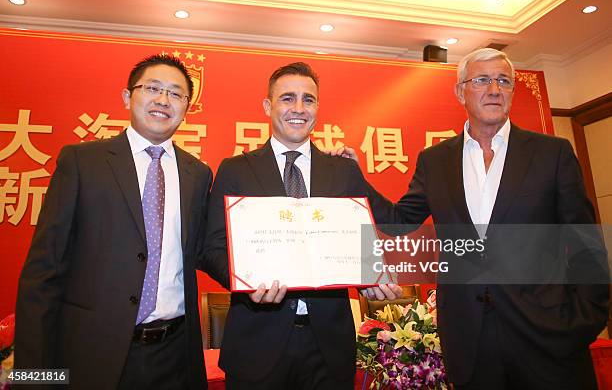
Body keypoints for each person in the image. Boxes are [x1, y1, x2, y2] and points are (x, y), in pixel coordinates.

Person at [342, 47, 609, 389]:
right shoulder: (436, 160)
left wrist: (585, 320)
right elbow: (399, 220)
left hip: (548, 336)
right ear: (460, 92)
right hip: (469, 339)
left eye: (503, 81)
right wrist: (355, 176)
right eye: (482, 80)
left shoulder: (551, 153)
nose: (494, 89)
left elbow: (586, 243)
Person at [15, 54, 223, 389]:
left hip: (174, 355)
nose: (162, 100)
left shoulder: (197, 174)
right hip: (92, 353)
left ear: (187, 108)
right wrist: (31, 379)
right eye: (152, 88)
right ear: (128, 97)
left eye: (175, 93)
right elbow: (43, 273)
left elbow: (204, 250)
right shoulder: (83, 162)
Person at [203, 62, 403, 390]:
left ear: (318, 108)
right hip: (257, 341)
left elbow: (380, 232)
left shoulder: (343, 171)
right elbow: (210, 247)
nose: (298, 108)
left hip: (329, 346)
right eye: (287, 98)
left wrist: (371, 273)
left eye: (308, 100)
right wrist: (246, 282)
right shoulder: (235, 170)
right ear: (268, 106)